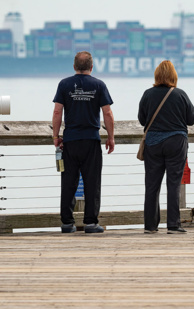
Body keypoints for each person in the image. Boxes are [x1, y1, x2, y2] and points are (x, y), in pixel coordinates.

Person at [52, 51, 115, 234]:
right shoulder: (99, 85)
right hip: (91, 141)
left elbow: (57, 112)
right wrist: (110, 137)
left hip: (70, 141)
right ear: (92, 67)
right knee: (92, 183)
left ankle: (66, 223)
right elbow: (108, 113)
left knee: (68, 182)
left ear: (74, 67)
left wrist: (56, 137)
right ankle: (90, 222)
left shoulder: (64, 84)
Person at [138, 60, 194, 234]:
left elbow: (142, 120)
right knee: (173, 184)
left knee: (151, 185)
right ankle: (173, 224)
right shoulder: (180, 95)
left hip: (153, 143)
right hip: (176, 143)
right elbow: (191, 119)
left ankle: (150, 226)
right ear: (174, 76)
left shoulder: (148, 94)